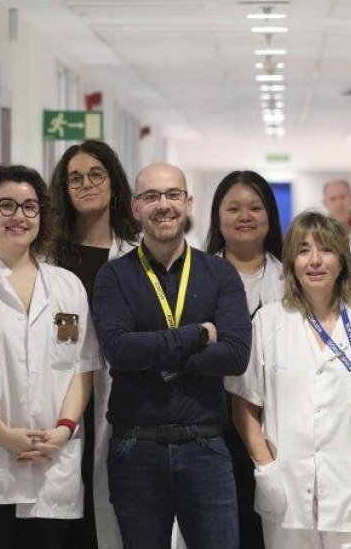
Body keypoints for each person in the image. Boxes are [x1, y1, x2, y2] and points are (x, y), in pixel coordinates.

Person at [228, 211, 351, 549]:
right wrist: (265, 464)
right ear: (291, 262)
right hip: (287, 493)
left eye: (326, 250)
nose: (316, 260)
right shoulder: (268, 320)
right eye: (304, 250)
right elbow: (244, 403)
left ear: (342, 260)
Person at [92, 162, 252, 549]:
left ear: (188, 203)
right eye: (151, 196)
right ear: (135, 207)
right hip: (135, 448)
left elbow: (234, 355)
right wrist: (196, 334)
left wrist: (154, 353)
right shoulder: (113, 276)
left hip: (206, 447)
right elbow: (118, 351)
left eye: (172, 194)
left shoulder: (220, 274)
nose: (163, 205)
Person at [0, 165, 102, 547]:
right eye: (7, 205)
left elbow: (82, 366)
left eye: (30, 207)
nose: (19, 216)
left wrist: (63, 430)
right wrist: (5, 436)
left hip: (55, 461)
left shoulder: (67, 285)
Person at [48, 140, 141, 549]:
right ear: (64, 191)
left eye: (96, 175)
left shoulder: (137, 256)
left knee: (107, 510)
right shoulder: (48, 258)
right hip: (55, 394)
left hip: (116, 398)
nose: (86, 184)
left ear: (114, 184)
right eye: (75, 178)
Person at [205, 170, 286, 549]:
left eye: (255, 207)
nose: (245, 215)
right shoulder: (197, 277)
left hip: (278, 417)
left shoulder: (292, 279)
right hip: (212, 420)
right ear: (217, 217)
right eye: (234, 207)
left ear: (270, 215)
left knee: (270, 525)